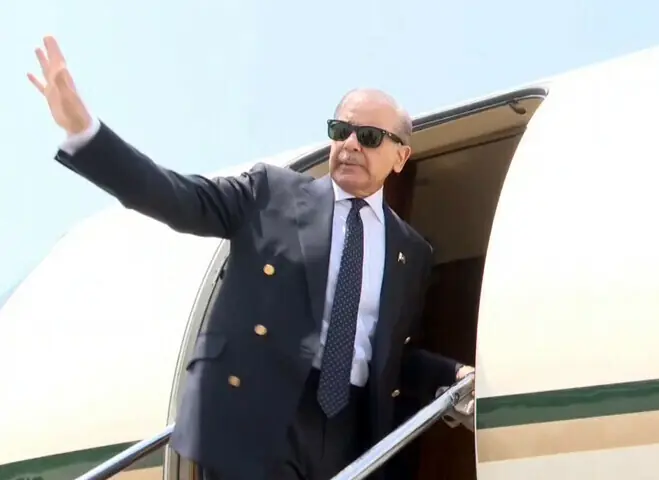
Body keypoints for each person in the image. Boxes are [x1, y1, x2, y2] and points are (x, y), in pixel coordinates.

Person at [27, 36, 475, 480]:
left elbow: (393, 355)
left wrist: (455, 374)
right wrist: (87, 133)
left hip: (350, 431)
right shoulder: (271, 194)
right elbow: (176, 196)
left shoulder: (412, 252)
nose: (352, 144)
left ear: (400, 157)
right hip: (263, 415)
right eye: (342, 131)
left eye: (370, 137)